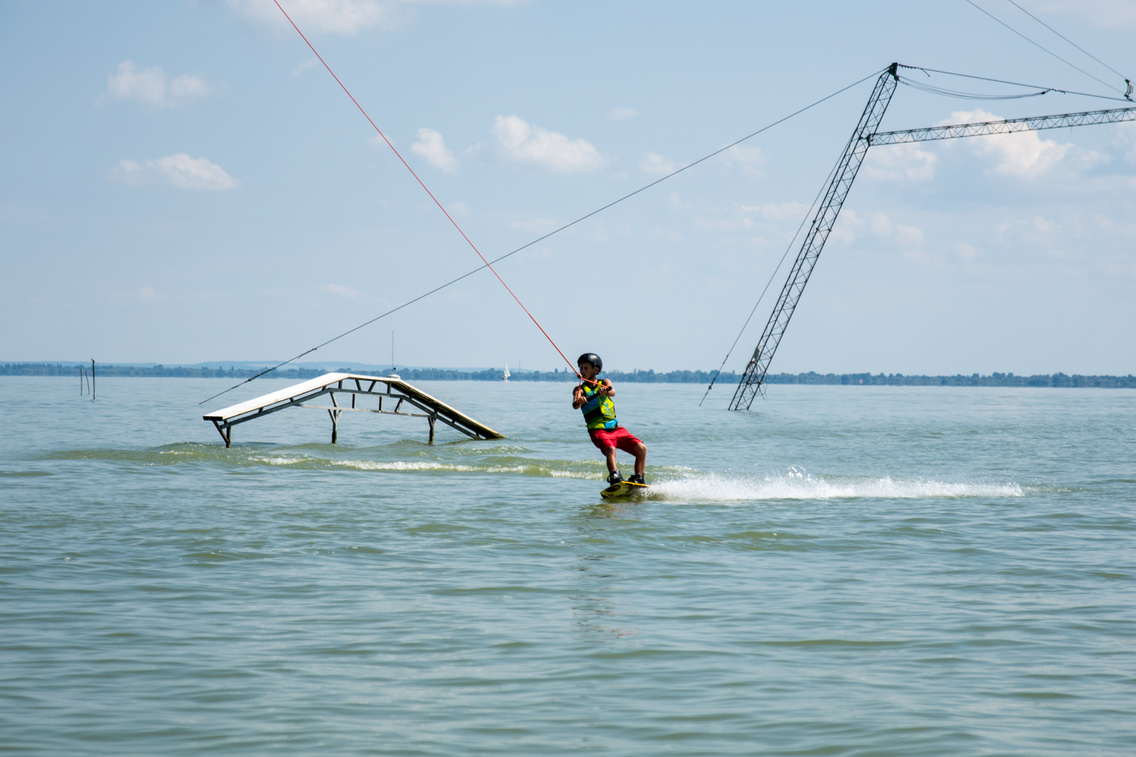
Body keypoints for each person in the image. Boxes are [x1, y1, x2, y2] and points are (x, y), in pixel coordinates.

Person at [571, 352, 647, 485]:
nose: (582, 371)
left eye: (586, 368)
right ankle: (614, 477)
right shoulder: (579, 389)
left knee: (641, 448)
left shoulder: (605, 382)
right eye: (581, 368)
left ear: (596, 370)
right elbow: (575, 404)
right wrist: (580, 401)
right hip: (598, 431)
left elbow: (612, 391)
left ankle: (638, 478)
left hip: (615, 429)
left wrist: (605, 390)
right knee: (610, 449)